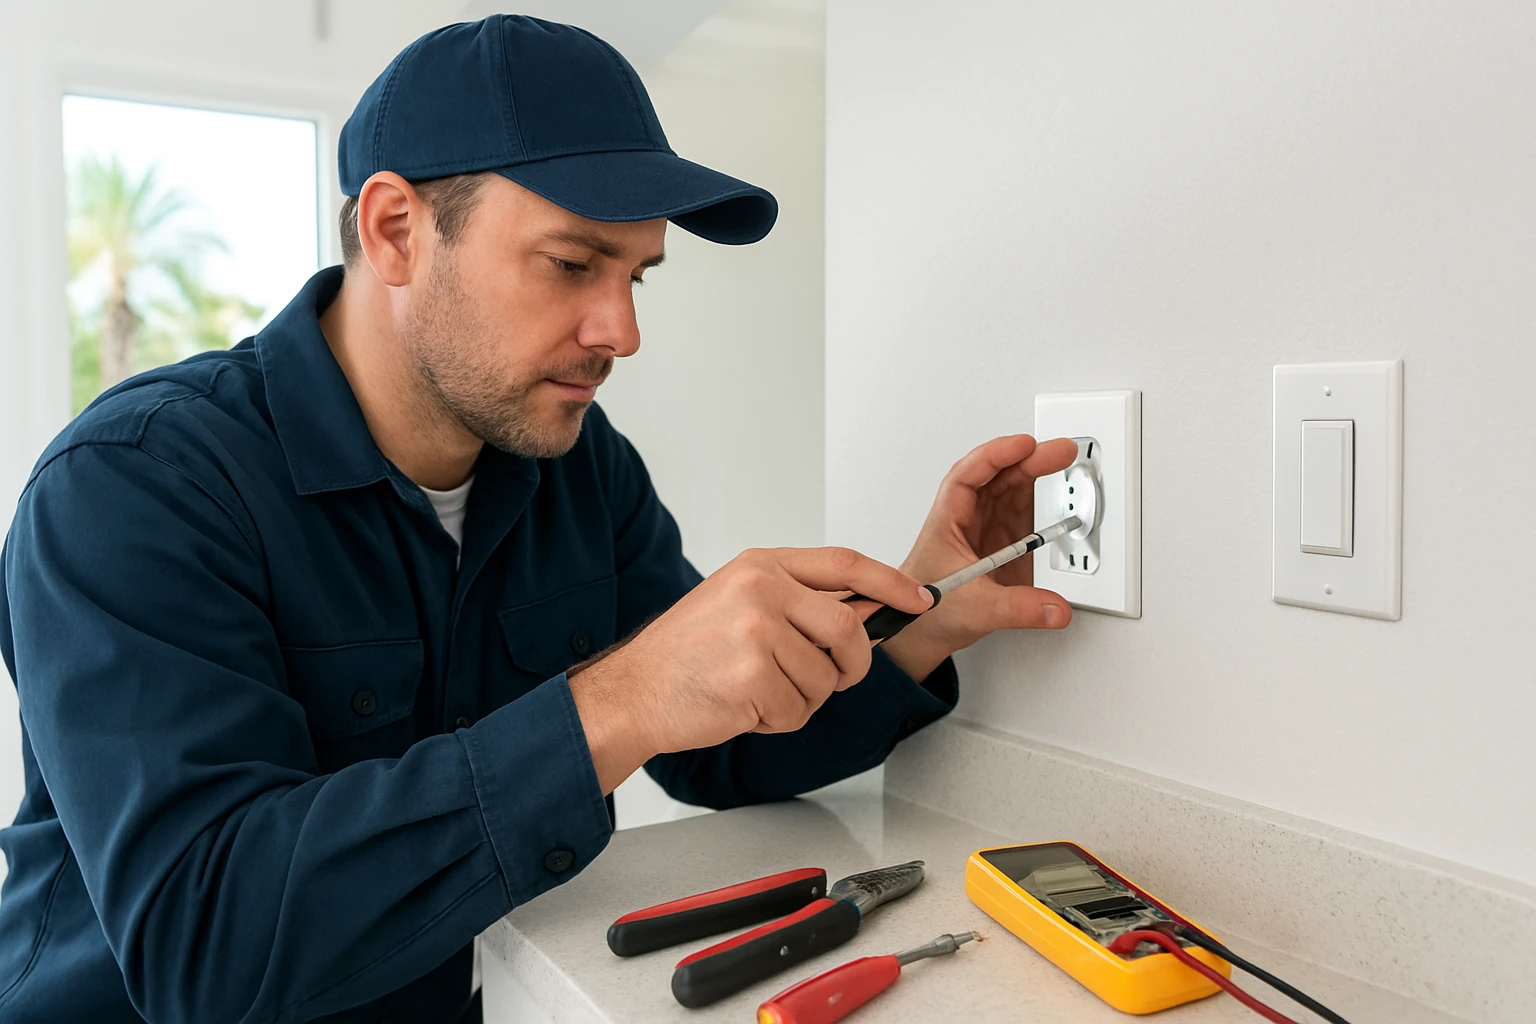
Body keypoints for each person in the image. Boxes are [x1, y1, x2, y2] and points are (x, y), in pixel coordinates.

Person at [0, 14, 1075, 1024]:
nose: (621, 329)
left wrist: (928, 608)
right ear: (395, 231)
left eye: (638, 273)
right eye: (572, 264)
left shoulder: (574, 467)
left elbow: (719, 751)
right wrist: (620, 700)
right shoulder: (133, 488)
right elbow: (205, 941)